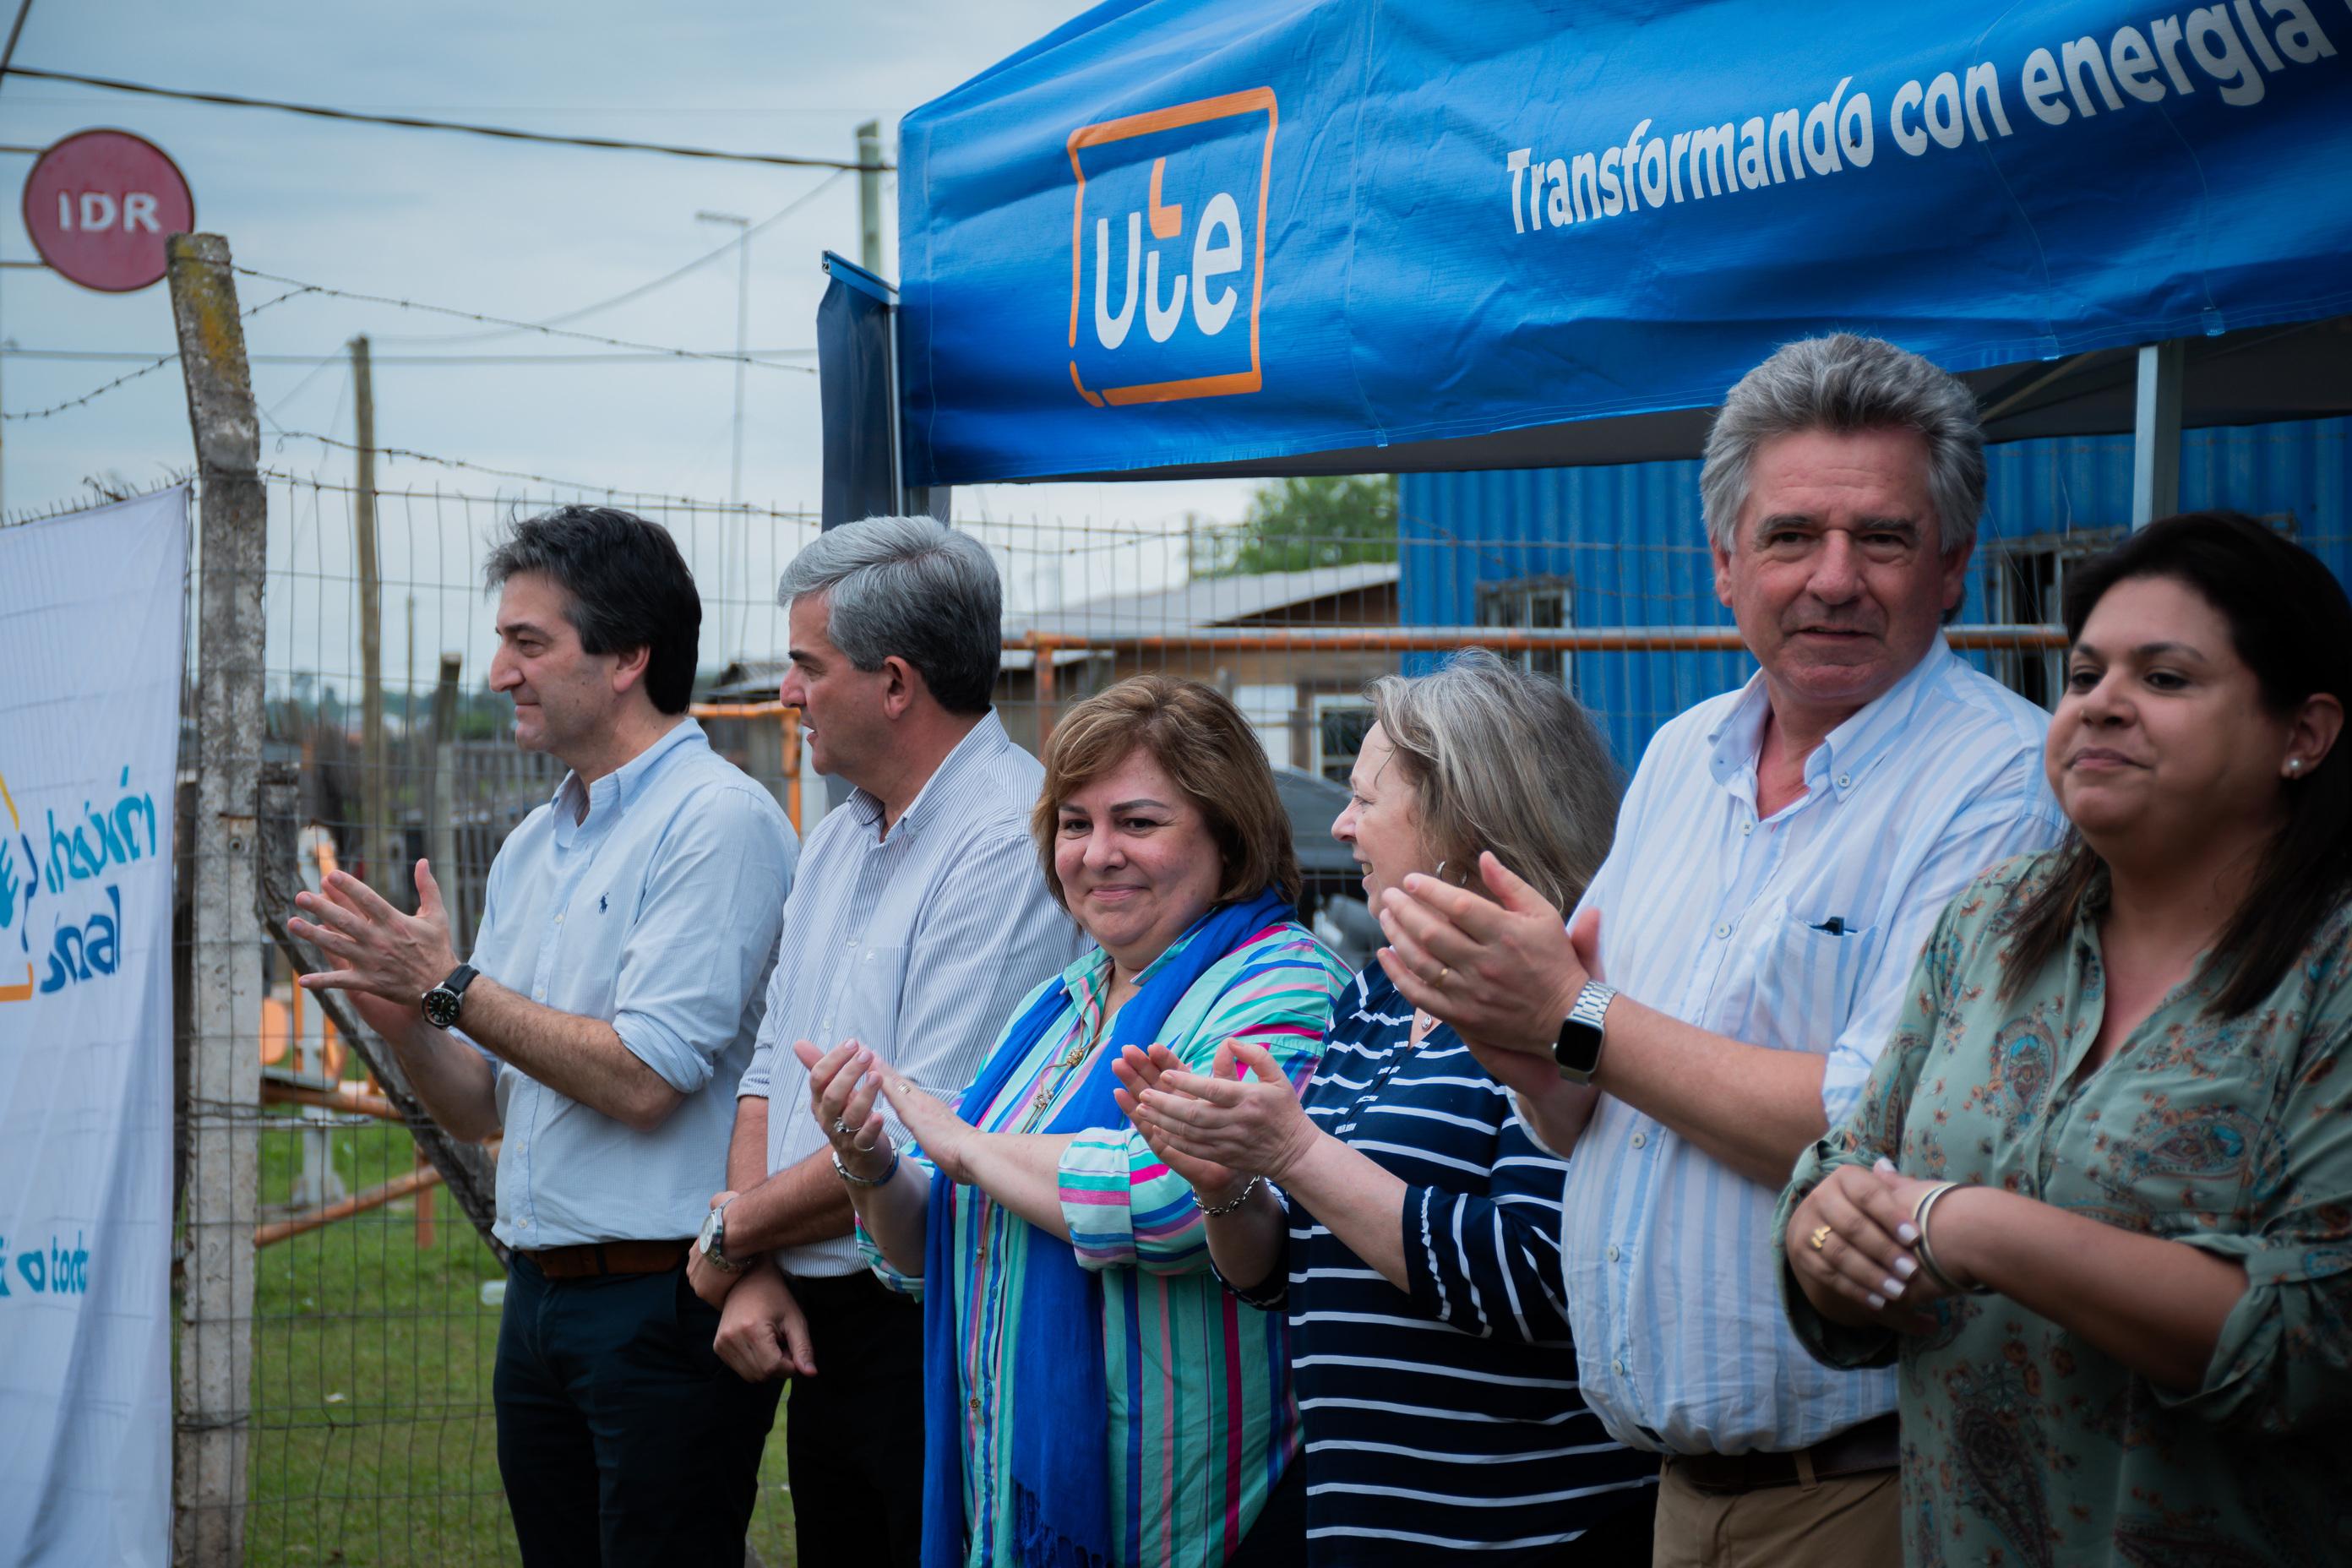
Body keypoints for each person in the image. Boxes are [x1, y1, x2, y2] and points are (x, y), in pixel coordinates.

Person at [1370, 335, 2068, 1564]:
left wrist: (1570, 1019)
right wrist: (1524, 1046)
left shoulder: (2006, 784)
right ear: (1724, 565)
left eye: (1885, 539)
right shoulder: (1684, 760)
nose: (1835, 578)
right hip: (1679, 1495)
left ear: (1954, 568)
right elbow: (1601, 1095)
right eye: (1793, 536)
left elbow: (1889, 1132)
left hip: (1870, 1489)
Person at [1778, 511, 2352, 1563]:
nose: (2101, 707)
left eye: (2165, 678)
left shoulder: (2331, 970)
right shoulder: (1995, 921)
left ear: (2302, 734)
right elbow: (1835, 1179)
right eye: (2083, 674)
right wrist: (1829, 1240)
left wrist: (1978, 1228)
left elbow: (2314, 1338)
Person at [286, 504, 797, 1565]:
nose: (498, 672)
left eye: (529, 642)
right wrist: (409, 1012)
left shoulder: (719, 821)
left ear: (627, 658)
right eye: (501, 641)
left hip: (661, 1302)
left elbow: (649, 1078)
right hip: (541, 1302)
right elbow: (483, 1107)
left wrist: (449, 984)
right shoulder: (531, 843)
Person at [1113, 650, 1661, 1563]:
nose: (1342, 823)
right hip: (1370, 1524)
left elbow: (1540, 1278)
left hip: (1524, 1529)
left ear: (1461, 814)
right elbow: (1288, 1273)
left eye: (1367, 799)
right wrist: (1226, 1187)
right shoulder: (1375, 994)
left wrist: (1294, 1151)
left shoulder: (1568, 992)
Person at [804, 675, 1349, 1568]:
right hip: (1011, 1507)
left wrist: (967, 1148)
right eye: (1073, 823)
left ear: (1227, 831)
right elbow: (933, 1244)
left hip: (1195, 1528)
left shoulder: (1280, 983)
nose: (1098, 853)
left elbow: (1175, 1194)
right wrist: (866, 1160)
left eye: (1137, 822)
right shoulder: (1058, 1006)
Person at [694, 516, 1086, 1568]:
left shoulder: (1007, 842)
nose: (786, 691)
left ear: (897, 682)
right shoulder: (835, 836)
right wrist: (755, 1258)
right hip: (822, 1307)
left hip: (927, 1315)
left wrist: (726, 1243)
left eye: (807, 665)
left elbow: (921, 1131)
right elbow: (772, 1065)